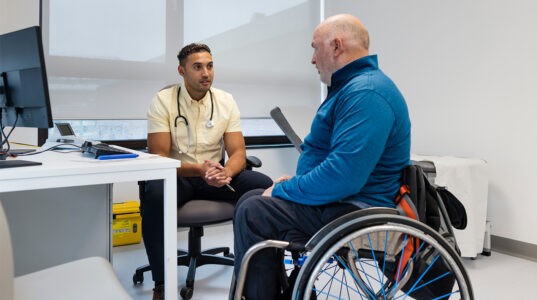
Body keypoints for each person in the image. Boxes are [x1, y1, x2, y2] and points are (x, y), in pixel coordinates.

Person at [233, 14, 411, 299]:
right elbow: (334, 160)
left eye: (315, 47)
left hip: (356, 209)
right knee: (250, 197)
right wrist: (297, 182)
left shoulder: (366, 93)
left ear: (337, 46)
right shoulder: (352, 88)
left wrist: (285, 189)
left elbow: (344, 176)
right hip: (343, 201)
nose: (313, 59)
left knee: (254, 211)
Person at [140, 43, 273, 300]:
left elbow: (238, 153)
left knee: (264, 186)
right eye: (197, 67)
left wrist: (226, 173)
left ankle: (253, 274)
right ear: (181, 70)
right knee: (154, 196)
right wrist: (199, 170)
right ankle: (161, 282)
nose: (206, 73)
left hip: (214, 176)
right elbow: (159, 156)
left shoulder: (225, 100)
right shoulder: (163, 101)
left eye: (210, 66)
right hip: (179, 175)